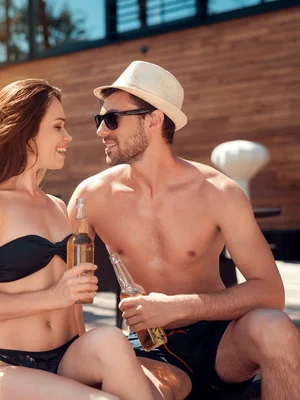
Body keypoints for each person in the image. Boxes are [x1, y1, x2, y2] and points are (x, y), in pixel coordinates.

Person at [69, 60, 300, 399]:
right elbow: (63, 285)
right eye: (99, 120)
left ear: (153, 120)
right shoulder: (92, 197)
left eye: (112, 119)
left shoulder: (217, 192)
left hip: (224, 341)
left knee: (275, 328)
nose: (101, 130)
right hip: (154, 349)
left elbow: (270, 293)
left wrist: (180, 306)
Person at [0, 79, 154, 400]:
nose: (67, 136)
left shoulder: (57, 206)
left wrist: (75, 314)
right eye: (58, 126)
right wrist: (53, 296)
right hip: (7, 365)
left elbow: (72, 304)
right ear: (25, 131)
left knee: (113, 340)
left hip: (69, 355)